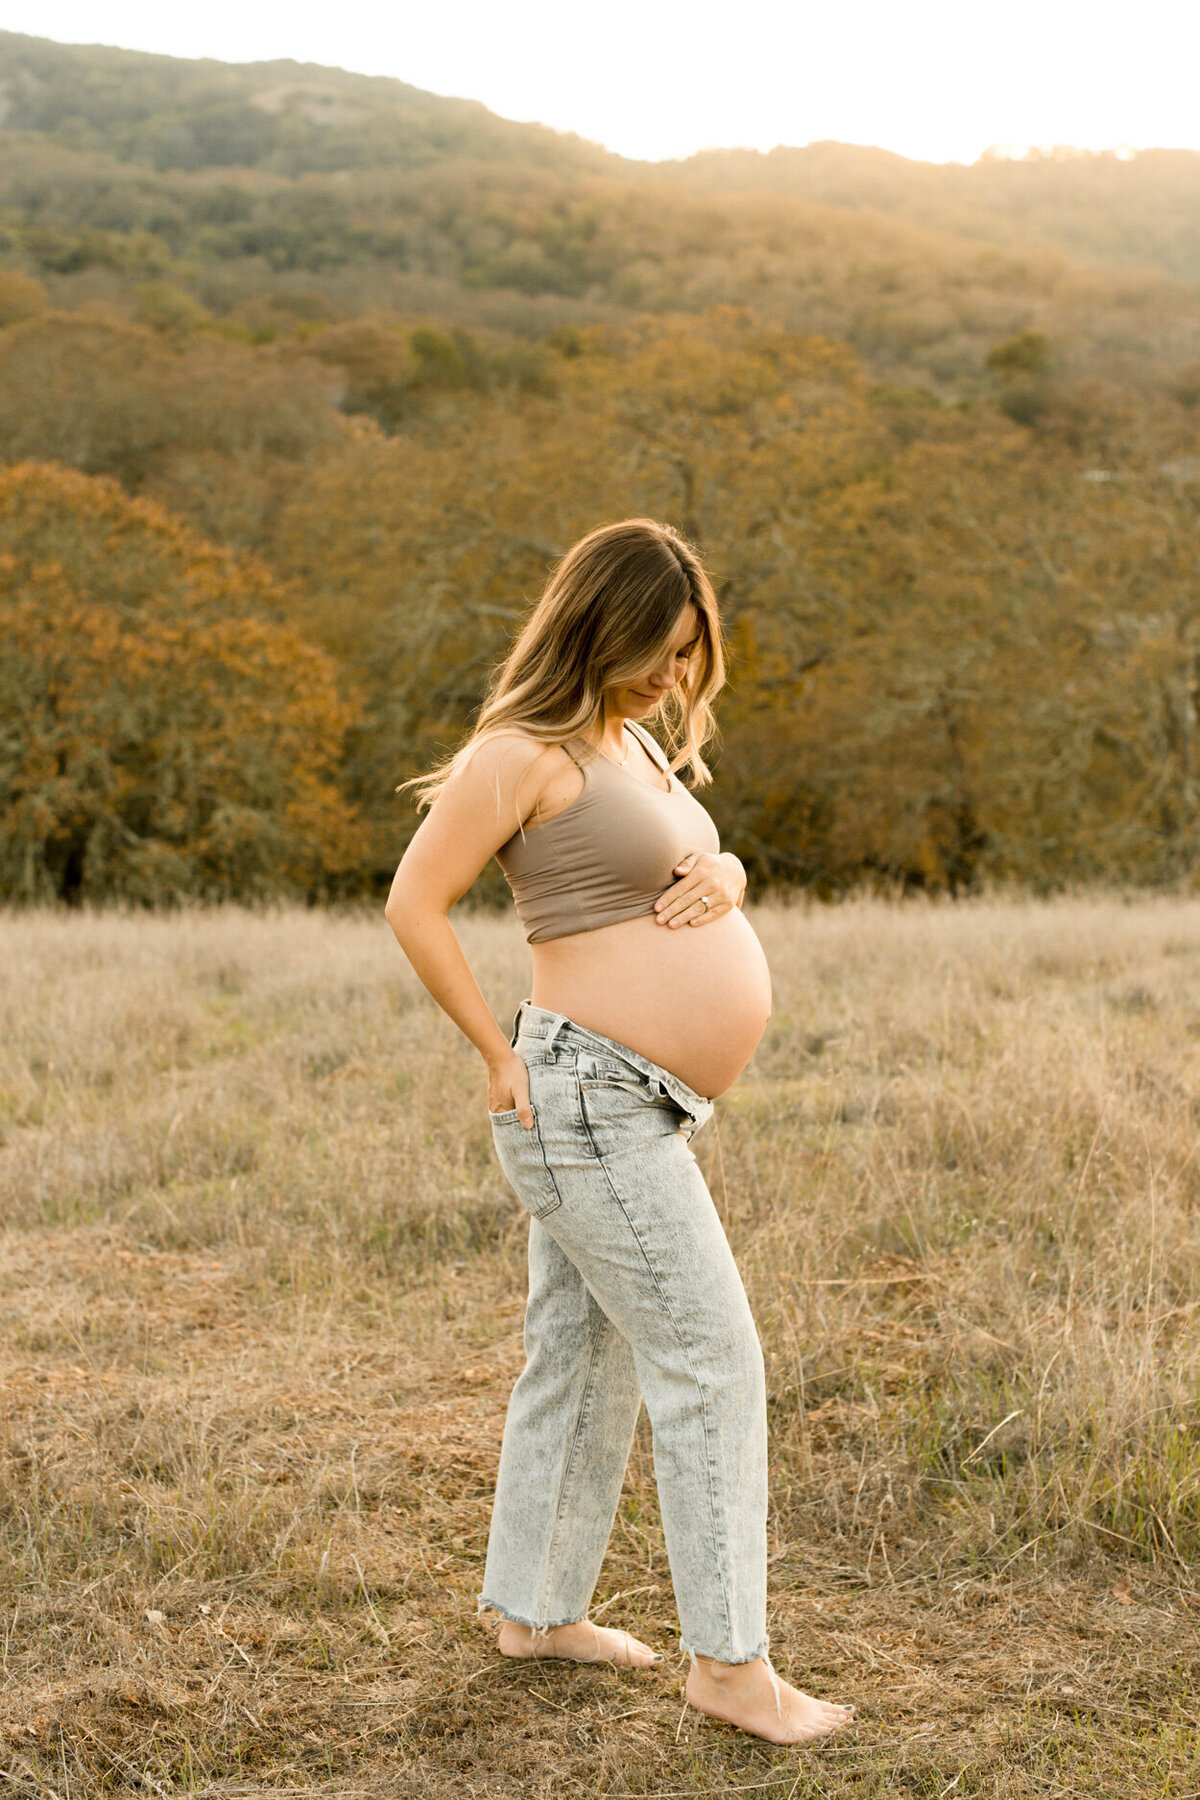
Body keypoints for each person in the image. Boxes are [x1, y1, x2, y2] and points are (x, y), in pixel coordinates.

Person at [385, 518, 854, 1746]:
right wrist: (495, 1053)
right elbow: (414, 902)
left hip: (629, 1103)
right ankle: (733, 1671)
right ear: (598, 623)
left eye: (690, 650)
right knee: (713, 1360)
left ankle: (538, 1614)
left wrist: (734, 874)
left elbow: (690, 862)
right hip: (582, 1098)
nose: (672, 673)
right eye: (656, 646)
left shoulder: (634, 739)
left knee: (581, 1357)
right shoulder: (521, 750)